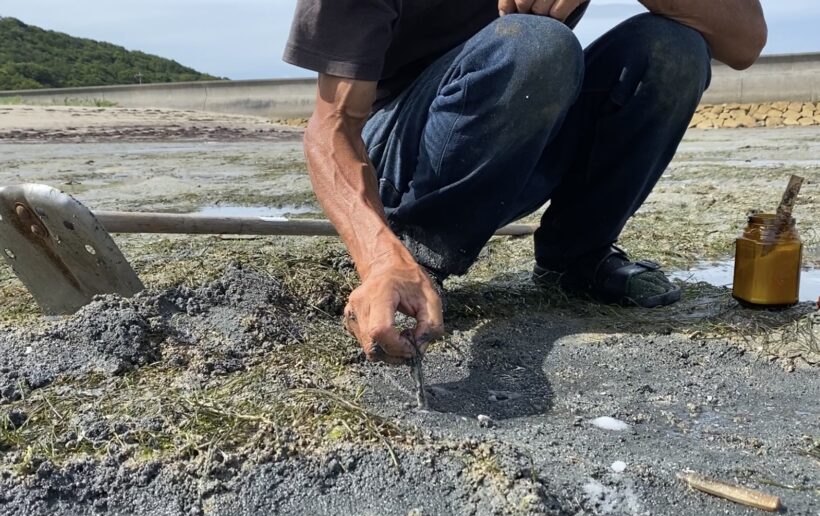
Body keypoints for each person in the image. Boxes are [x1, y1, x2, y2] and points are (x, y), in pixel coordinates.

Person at [283, 0, 767, 363]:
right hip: (399, 154)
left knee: (673, 49)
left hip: (522, 136)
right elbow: (332, 128)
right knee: (537, 42)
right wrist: (379, 257)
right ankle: (416, 259)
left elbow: (744, 41)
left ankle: (577, 256)